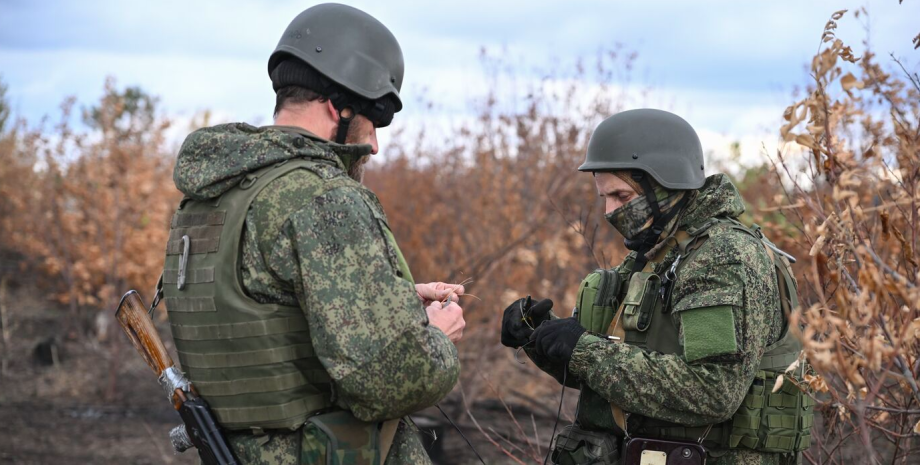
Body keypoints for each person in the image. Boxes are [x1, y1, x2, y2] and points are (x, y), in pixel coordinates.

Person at [160, 4, 465, 464]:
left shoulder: (212, 195)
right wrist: (438, 337)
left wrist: (393, 302)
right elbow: (389, 382)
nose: (375, 145)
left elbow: (264, 317)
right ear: (337, 106)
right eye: (374, 122)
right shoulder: (324, 198)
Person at [501, 109, 812, 465]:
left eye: (621, 196)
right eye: (604, 197)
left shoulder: (723, 257)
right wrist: (541, 338)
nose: (609, 211)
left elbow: (713, 390)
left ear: (665, 183)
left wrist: (584, 350)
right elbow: (619, 376)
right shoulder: (657, 253)